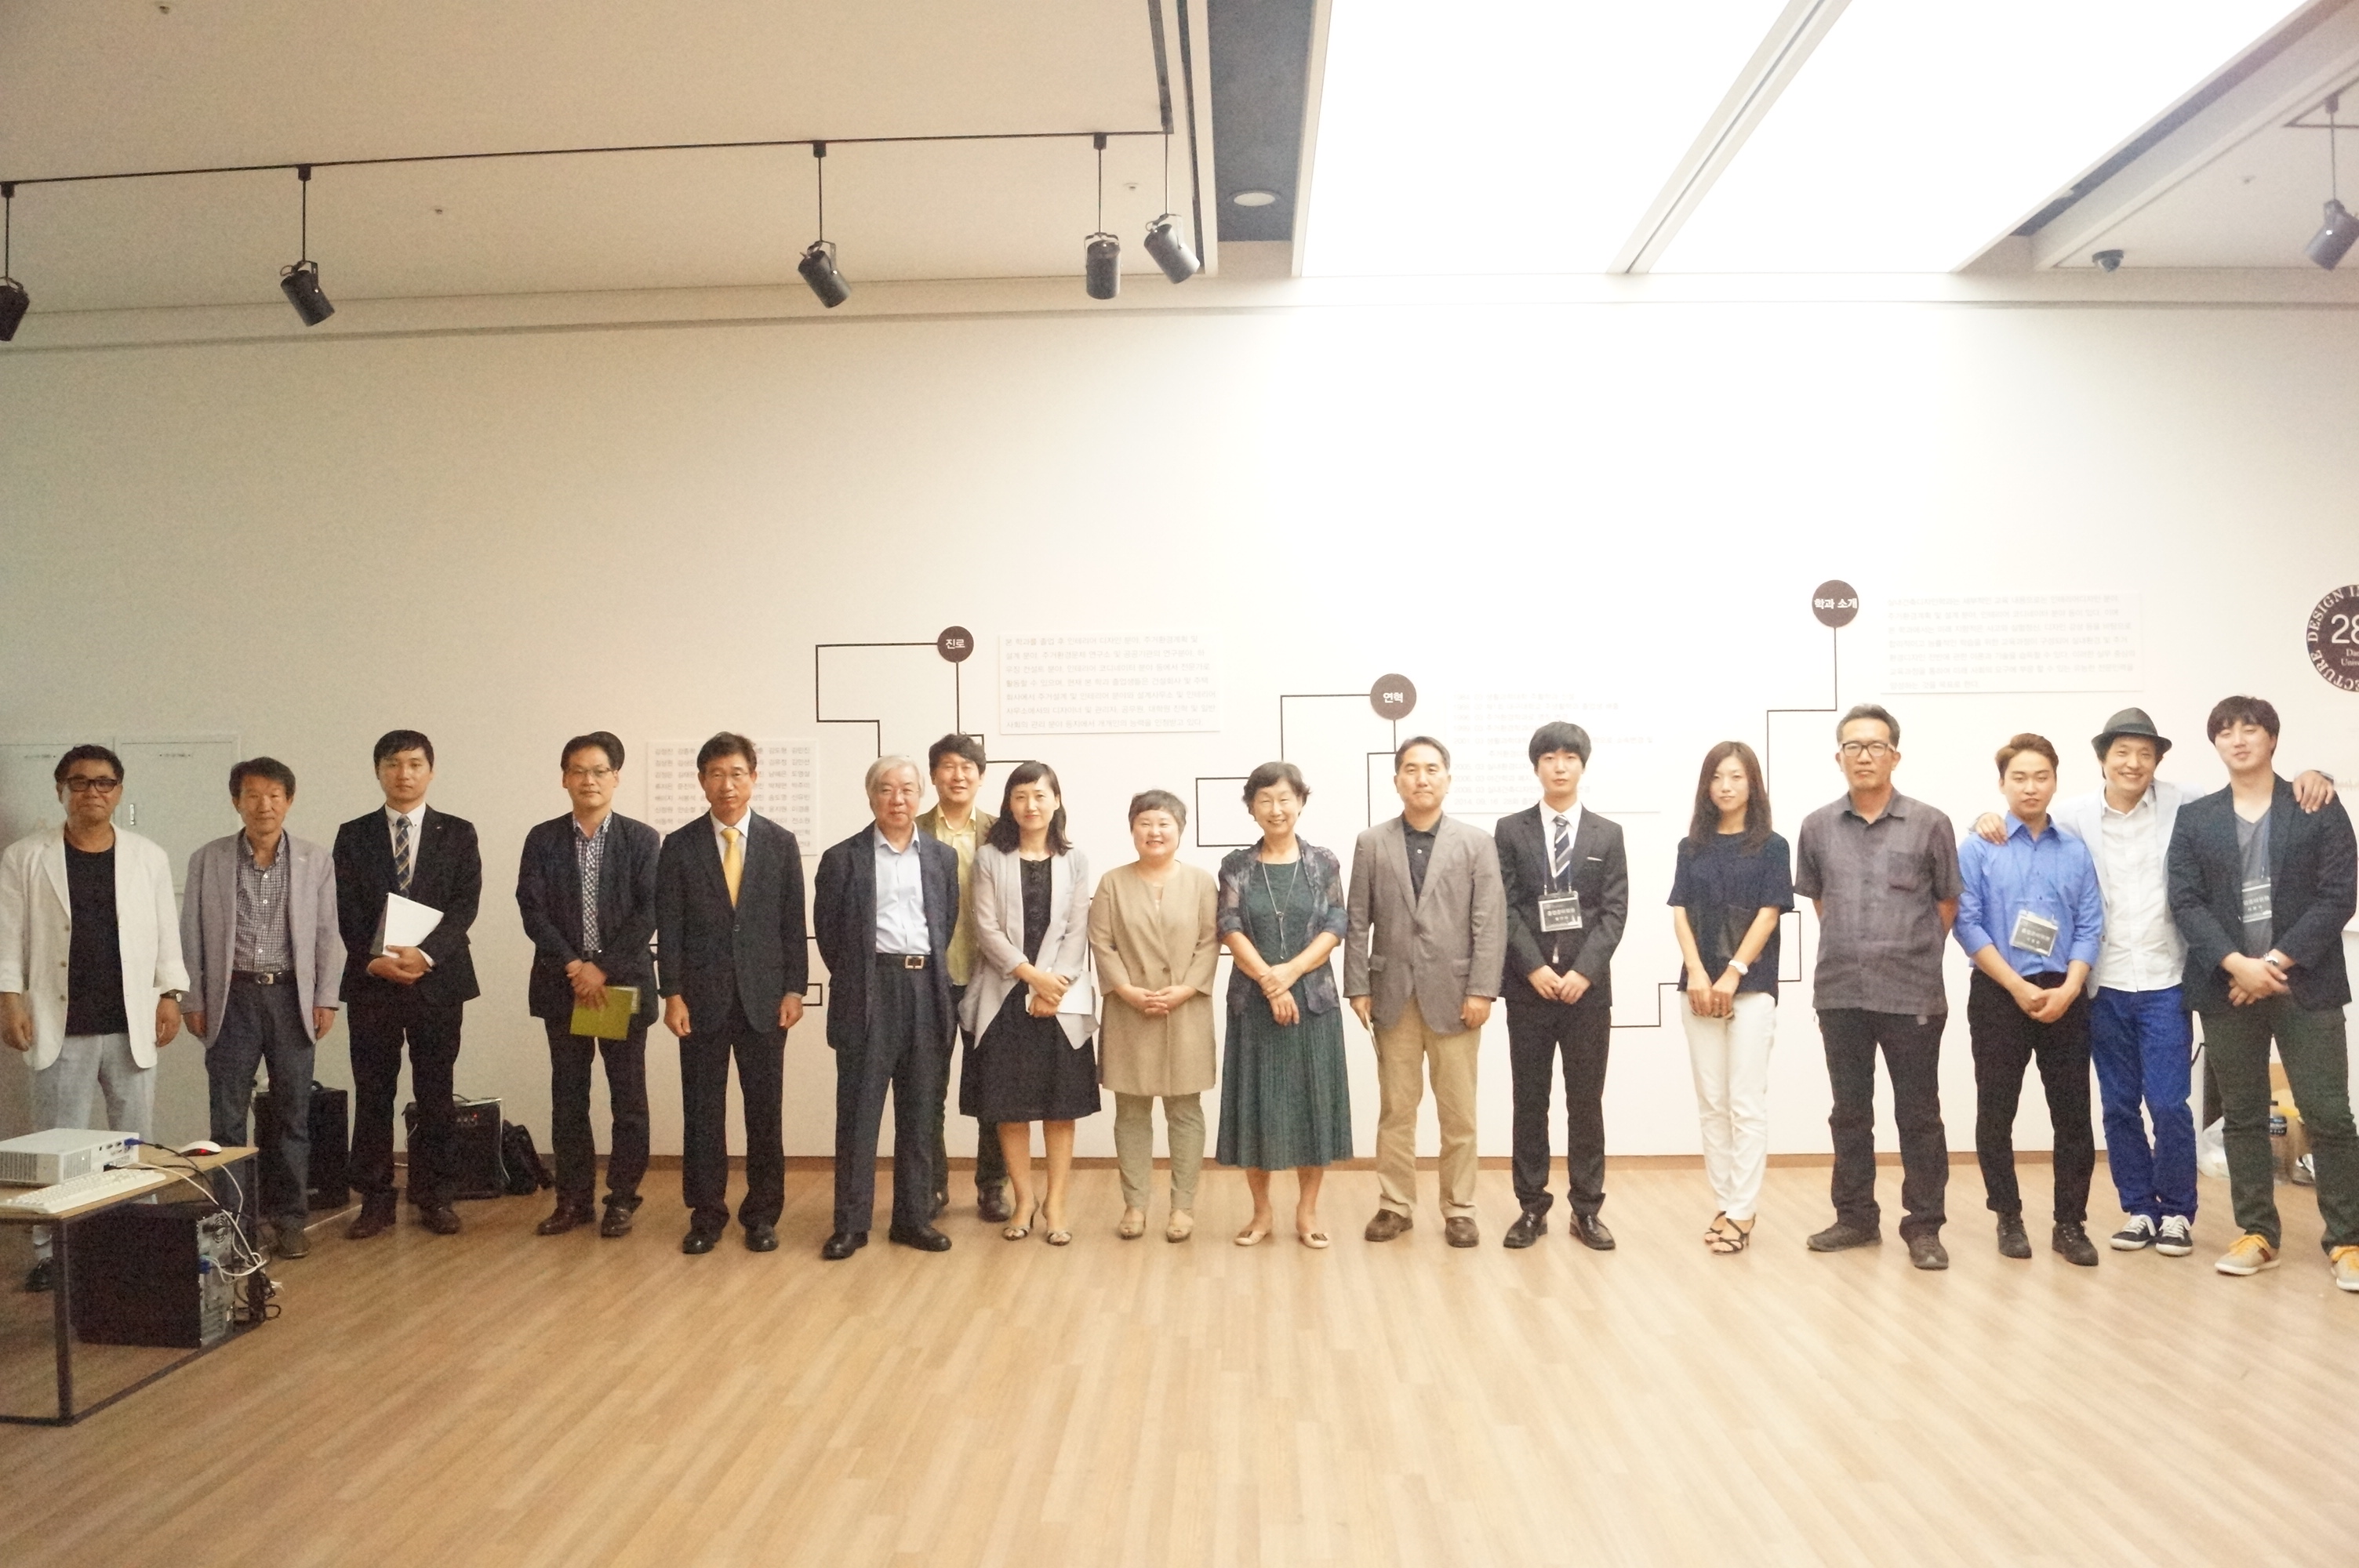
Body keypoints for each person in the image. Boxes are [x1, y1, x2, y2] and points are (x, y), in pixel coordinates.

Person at [1971, 709, 2334, 1256]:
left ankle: (2178, 1212)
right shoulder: (2072, 818)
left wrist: (2315, 776)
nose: (2133, 763)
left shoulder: (2190, 805)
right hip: (2103, 984)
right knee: (2119, 1107)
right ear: (2102, 759)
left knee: (2168, 1104)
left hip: (2167, 980)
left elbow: (2252, 791)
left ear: (2158, 760)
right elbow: (2023, 818)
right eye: (2121, 752)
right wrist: (1984, 818)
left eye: (2145, 753)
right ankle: (2139, 1208)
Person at [2167, 695, 2358, 1291]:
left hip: (2305, 982)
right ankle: (2256, 1234)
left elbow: (2339, 894)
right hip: (2228, 988)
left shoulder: (2315, 804)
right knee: (2243, 1115)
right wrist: (2236, 965)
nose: (2238, 739)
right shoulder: (2196, 818)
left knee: (2329, 1114)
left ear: (2272, 738)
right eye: (2225, 731)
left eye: (2250, 729)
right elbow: (2186, 901)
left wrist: (2271, 964)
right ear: (2215, 744)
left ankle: (2347, 1240)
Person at [0, 744, 187, 1292]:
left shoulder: (147, 856)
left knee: (137, 1142)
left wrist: (170, 995)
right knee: (55, 1149)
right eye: (80, 782)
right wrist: (9, 1000)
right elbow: (7, 934)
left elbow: (166, 931)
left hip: (130, 1020)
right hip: (60, 1022)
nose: (92, 792)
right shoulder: (25, 856)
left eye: (104, 782)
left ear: (119, 791)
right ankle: (51, 1253)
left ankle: (140, 1240)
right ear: (61, 790)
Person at [1794, 705, 1961, 1271]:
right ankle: (1856, 1218)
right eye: (1853, 746)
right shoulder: (1817, 826)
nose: (1864, 756)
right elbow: (1821, 901)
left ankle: (1924, 1226)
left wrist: (1906, 948)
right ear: (1838, 757)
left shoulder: (1930, 822)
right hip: (1841, 990)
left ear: (1895, 755)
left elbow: (1947, 902)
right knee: (1849, 1112)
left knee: (1919, 1115)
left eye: (1875, 746)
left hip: (1912, 993)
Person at [1344, 737, 1506, 1248]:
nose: (1422, 778)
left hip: (1457, 998)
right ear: (1397, 780)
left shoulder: (1475, 843)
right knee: (1397, 1109)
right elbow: (1357, 921)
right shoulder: (1372, 842)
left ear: (1447, 779)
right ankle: (1395, 1205)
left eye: (1432, 769)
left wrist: (1482, 990)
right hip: (1391, 994)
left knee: (1459, 1113)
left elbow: (1489, 922)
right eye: (1411, 769)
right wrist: (1357, 986)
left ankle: (1459, 1208)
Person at [180, 757, 342, 1261]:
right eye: (252, 795)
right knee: (227, 1119)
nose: (263, 805)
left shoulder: (315, 859)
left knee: (293, 1116)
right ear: (237, 802)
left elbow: (328, 934)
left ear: (289, 801)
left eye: (274, 795)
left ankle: (291, 1220)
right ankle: (233, 1223)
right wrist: (193, 998)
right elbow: (191, 933)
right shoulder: (208, 859)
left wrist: (325, 997)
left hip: (292, 998)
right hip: (232, 998)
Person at [1954, 735, 2106, 1267]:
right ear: (2002, 784)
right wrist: (2018, 987)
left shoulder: (2075, 850)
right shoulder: (1979, 847)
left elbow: (2090, 924)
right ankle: (2008, 1216)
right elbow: (1966, 924)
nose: (2030, 787)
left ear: (2055, 781)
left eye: (2041, 776)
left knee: (2073, 1114)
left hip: (2065, 992)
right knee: (1997, 1111)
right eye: (2019, 777)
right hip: (2000, 992)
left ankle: (2070, 1223)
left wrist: (2070, 988)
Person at [654, 732, 807, 1255]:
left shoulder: (781, 843)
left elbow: (792, 925)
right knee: (702, 1114)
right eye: (716, 774)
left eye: (737, 773)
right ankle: (706, 1215)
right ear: (702, 781)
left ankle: (762, 1215)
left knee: (765, 1114)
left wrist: (794, 989)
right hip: (701, 1001)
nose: (727, 784)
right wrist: (672, 994)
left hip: (765, 1001)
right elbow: (670, 928)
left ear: (754, 778)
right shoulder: (679, 846)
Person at [334, 729, 482, 1240]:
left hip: (437, 981)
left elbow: (465, 905)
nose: (404, 774)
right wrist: (371, 960)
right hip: (374, 984)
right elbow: (344, 909)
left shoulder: (458, 832)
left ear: (431, 771)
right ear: (378, 771)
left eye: (415, 764)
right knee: (373, 1092)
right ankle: (375, 1200)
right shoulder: (353, 835)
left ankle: (435, 1196)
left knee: (436, 1092)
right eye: (393, 764)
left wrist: (426, 954)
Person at [812, 755, 960, 1261]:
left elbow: (945, 922)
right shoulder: (842, 858)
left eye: (907, 789)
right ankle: (851, 1224)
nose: (897, 799)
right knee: (859, 1114)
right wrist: (863, 977)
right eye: (886, 789)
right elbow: (830, 936)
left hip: (926, 989)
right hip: (869, 991)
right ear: (871, 796)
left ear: (921, 796)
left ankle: (913, 1219)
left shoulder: (941, 858)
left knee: (920, 1113)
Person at [517, 731, 660, 1240]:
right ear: (564, 779)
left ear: (616, 778)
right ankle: (573, 1200)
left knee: (628, 1100)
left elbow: (648, 911)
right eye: (578, 770)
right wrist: (575, 966)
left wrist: (601, 968)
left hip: (619, 987)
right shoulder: (543, 839)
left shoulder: (642, 840)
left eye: (599, 771)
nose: (589, 780)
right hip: (564, 986)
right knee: (569, 1098)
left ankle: (621, 1198)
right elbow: (532, 909)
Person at [1494, 722, 1628, 1251]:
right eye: (1549, 757)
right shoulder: (1510, 831)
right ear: (1536, 767)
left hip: (1585, 994)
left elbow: (1614, 912)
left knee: (1585, 1103)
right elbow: (1504, 907)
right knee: (1530, 1100)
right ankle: (1532, 1208)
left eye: (1569, 757)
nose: (1559, 766)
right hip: (1529, 990)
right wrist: (1533, 967)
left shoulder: (1607, 834)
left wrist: (1583, 972)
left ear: (1582, 765)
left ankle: (1587, 1211)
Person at [961, 762, 1098, 1246]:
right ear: (1009, 804)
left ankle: (1055, 1203)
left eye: (1040, 795)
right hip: (1005, 995)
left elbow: (1077, 930)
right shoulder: (989, 858)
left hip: (1060, 996)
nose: (1031, 805)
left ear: (1056, 801)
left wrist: (1052, 987)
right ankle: (1023, 1199)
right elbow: (985, 928)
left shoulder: (1075, 860)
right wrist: (1032, 977)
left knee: (1060, 1108)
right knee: (1010, 1108)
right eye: (1020, 796)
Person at [1216, 763, 1351, 1247]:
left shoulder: (1323, 863)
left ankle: (1307, 1212)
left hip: (1313, 1003)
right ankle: (1261, 1213)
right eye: (1265, 800)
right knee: (1256, 1107)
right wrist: (1271, 986)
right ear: (1252, 808)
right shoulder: (1237, 865)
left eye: (1285, 798)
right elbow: (1229, 926)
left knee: (1313, 1106)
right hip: (1252, 1003)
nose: (1276, 809)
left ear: (1301, 802)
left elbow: (1336, 924)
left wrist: (1290, 974)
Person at [1667, 741, 1792, 1256]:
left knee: (1745, 1102)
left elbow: (1769, 913)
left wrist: (1733, 973)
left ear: (1752, 784)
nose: (1726, 786)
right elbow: (1679, 911)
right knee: (1712, 1103)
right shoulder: (1691, 846)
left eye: (1737, 776)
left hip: (1752, 986)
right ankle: (1725, 1202)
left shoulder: (1772, 846)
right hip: (1698, 987)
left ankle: (1743, 1210)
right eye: (1717, 776)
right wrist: (1699, 972)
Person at [1090, 790, 1219, 1243]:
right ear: (1132, 829)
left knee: (1185, 1110)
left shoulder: (1202, 882)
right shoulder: (1112, 883)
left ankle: (1183, 1207)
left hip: (1187, 1010)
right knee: (1130, 1112)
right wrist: (1126, 990)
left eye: (1164, 823)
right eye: (1145, 823)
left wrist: (1185, 989)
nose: (1155, 831)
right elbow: (1101, 943)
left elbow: (1210, 942)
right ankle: (1135, 1205)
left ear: (1180, 830)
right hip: (1129, 1011)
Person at [918, 733, 1010, 1223]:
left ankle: (992, 1186)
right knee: (927, 1089)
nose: (958, 776)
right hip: (929, 981)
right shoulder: (911, 830)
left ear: (981, 775)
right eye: (948, 767)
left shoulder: (1002, 832)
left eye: (967, 767)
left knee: (991, 1089)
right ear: (934, 775)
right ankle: (931, 1186)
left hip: (988, 978)